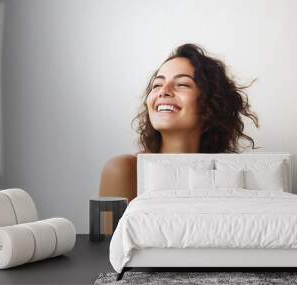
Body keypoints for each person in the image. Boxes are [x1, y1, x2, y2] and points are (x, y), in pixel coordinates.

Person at [99, 43, 260, 232]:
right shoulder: (123, 171)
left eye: (182, 84)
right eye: (157, 84)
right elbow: (104, 253)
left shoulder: (230, 174)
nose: (163, 90)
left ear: (211, 103)